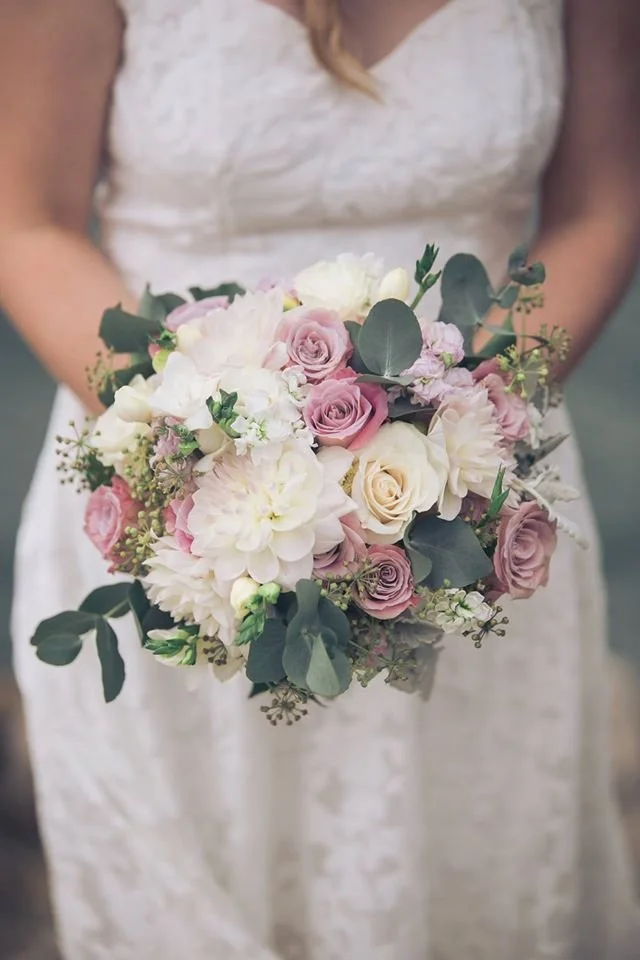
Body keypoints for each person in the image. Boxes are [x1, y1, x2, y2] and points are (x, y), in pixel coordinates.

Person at [1, 0, 639, 957]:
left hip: (471, 514)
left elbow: (605, 201)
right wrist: (204, 454)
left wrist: (453, 432)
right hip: (179, 526)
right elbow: (29, 221)